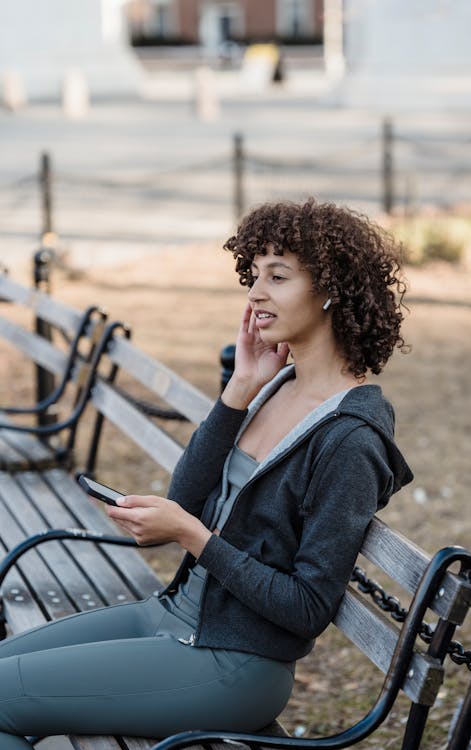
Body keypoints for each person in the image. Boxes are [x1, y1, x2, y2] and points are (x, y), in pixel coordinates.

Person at [0, 199, 413, 748]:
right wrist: (238, 391)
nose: (256, 293)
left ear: (331, 290)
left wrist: (193, 537)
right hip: (172, 616)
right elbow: (186, 497)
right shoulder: (274, 385)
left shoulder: (350, 440)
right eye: (254, 275)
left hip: (233, 662)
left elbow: (308, 607)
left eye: (279, 276)